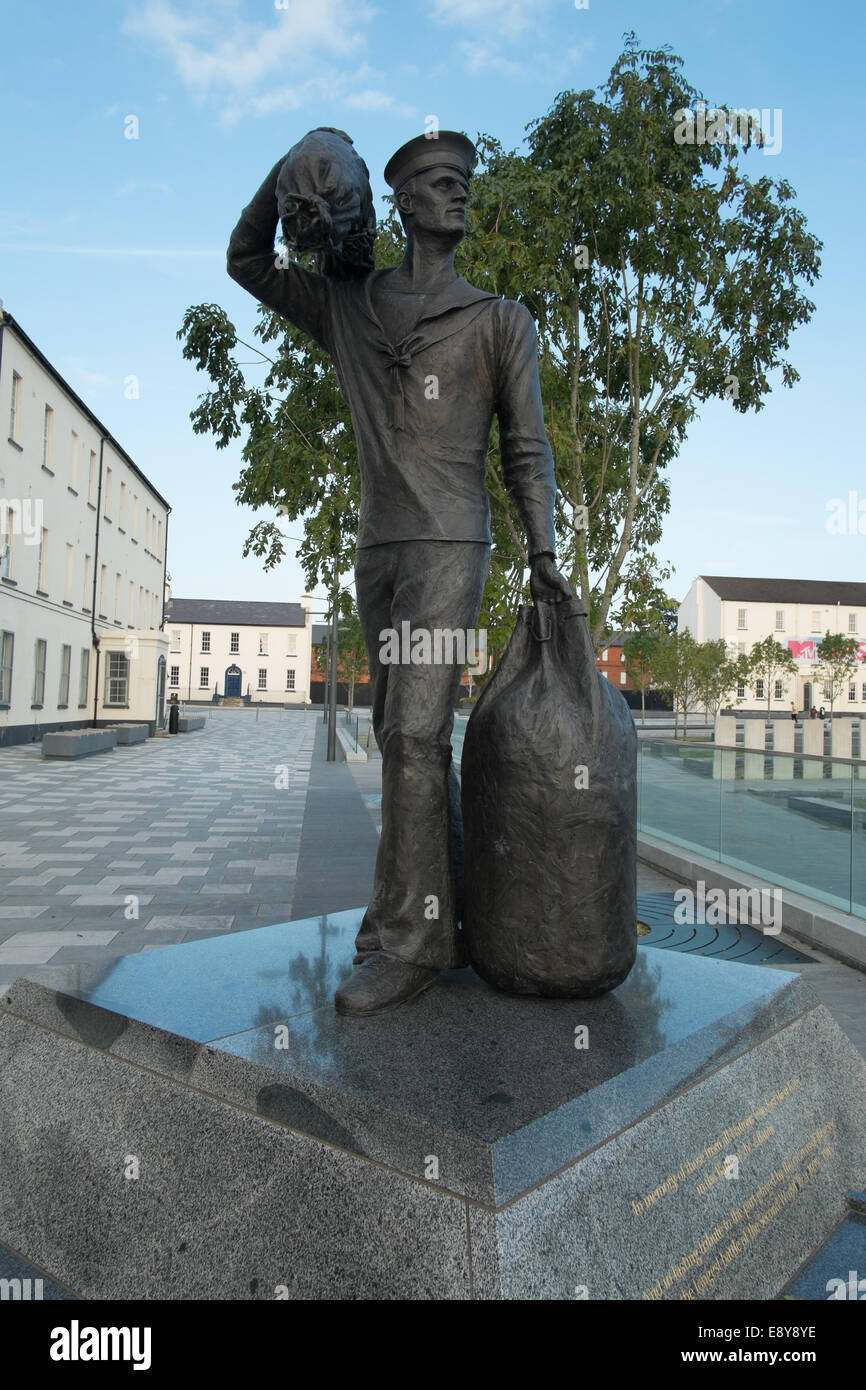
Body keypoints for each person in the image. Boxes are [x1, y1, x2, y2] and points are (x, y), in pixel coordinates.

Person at [227, 131, 571, 1016]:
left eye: (464, 184)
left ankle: (413, 950)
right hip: (379, 551)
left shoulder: (501, 321)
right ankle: (417, 916)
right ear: (405, 203)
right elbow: (245, 260)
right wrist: (288, 167)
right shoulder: (350, 303)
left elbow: (527, 453)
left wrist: (543, 552)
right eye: (441, 184)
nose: (458, 196)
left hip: (453, 549)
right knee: (397, 738)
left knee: (418, 735)